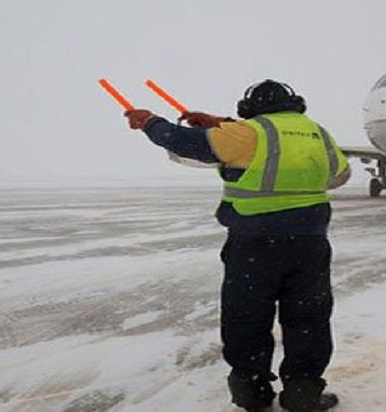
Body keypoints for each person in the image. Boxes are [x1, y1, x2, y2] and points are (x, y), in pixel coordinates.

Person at [124, 79, 349, 412]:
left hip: (255, 244)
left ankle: (251, 391)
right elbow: (339, 176)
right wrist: (222, 126)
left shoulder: (249, 133)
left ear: (251, 107)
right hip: (310, 244)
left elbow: (186, 142)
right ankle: (304, 392)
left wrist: (150, 122)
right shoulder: (318, 133)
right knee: (309, 317)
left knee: (247, 315)